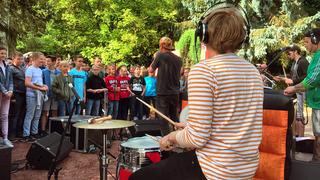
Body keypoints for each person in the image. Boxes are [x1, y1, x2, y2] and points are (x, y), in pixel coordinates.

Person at [130, 6, 263, 180]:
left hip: (215, 168)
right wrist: (189, 128)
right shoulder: (252, 71)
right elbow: (229, 123)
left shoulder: (204, 71)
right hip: (246, 167)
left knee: (138, 178)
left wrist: (171, 137)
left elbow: (197, 139)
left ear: (204, 33)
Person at [284, 28, 320, 162]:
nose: (305, 45)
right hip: (316, 103)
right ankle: (316, 161)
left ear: (315, 40)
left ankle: (317, 164)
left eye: (306, 42)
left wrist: (293, 88)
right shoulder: (316, 56)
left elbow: (312, 80)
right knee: (317, 135)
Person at [149, 37, 182, 135]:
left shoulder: (160, 55)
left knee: (163, 118)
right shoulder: (179, 59)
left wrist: (155, 58)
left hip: (163, 92)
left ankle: (167, 142)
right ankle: (179, 138)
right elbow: (180, 73)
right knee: (174, 117)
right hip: (175, 92)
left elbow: (151, 70)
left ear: (162, 45)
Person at [274, 45, 309, 137]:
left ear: (296, 51)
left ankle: (301, 138)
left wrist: (293, 81)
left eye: (289, 53)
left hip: (303, 91)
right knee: (297, 115)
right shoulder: (294, 63)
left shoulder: (303, 62)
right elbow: (293, 76)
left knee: (300, 115)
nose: (288, 56)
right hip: (297, 91)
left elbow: (307, 76)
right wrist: (281, 78)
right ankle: (297, 136)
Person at [22, 52, 48, 142]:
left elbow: (38, 82)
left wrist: (44, 86)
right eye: (41, 59)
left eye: (43, 59)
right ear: (34, 59)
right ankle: (26, 134)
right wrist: (39, 88)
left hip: (39, 95)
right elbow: (27, 83)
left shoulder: (40, 70)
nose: (43, 61)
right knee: (30, 115)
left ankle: (34, 133)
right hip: (32, 95)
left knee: (37, 115)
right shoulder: (30, 69)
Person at [40, 55, 60, 136]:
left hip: (55, 95)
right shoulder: (43, 72)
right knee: (45, 112)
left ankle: (53, 129)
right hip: (47, 95)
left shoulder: (58, 72)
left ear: (54, 62)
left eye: (48, 61)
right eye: (46, 61)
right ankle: (43, 130)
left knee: (54, 112)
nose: (47, 63)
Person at [9, 52, 26, 140]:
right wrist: (12, 97)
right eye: (18, 59)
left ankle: (19, 132)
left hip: (24, 94)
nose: (20, 60)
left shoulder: (23, 68)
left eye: (21, 59)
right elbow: (9, 82)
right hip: (16, 94)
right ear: (13, 59)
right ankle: (11, 134)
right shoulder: (10, 68)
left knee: (22, 114)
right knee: (14, 115)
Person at [0, 47, 14, 147]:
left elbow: (11, 80)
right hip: (2, 92)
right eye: (1, 53)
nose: (3, 55)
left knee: (5, 115)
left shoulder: (7, 66)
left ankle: (5, 138)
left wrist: (10, 90)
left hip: (7, 94)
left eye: (5, 53)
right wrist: (5, 91)